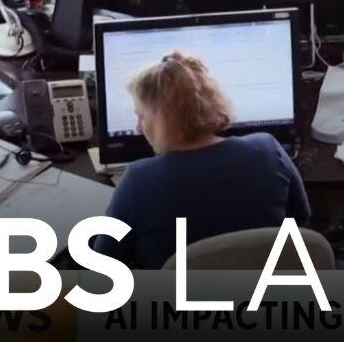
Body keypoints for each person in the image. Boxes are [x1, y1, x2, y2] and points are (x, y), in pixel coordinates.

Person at [91, 51, 311, 269]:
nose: (139, 127)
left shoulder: (138, 180)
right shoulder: (267, 150)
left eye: (142, 116)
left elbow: (104, 261)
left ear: (163, 118)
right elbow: (301, 219)